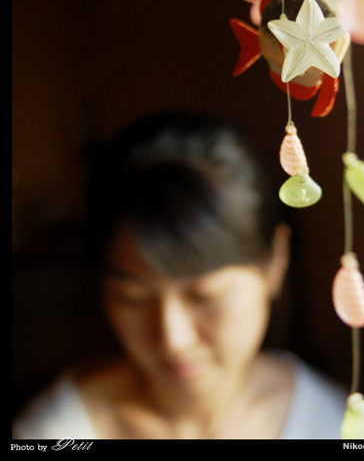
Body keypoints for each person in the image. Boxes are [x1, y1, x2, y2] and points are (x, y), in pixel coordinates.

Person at [13, 109, 347, 439]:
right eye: (133, 299)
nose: (174, 339)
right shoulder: (55, 431)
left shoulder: (334, 424)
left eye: (204, 297)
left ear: (275, 261)